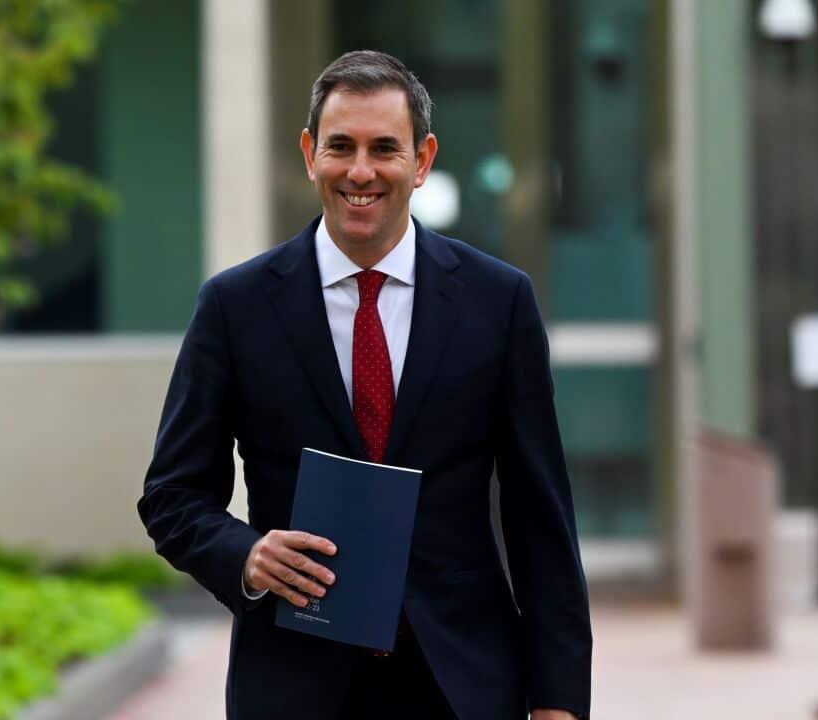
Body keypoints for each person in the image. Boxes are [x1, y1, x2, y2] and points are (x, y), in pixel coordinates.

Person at [138, 50, 591, 720]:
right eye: (341, 146)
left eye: (385, 148)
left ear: (423, 158)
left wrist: (559, 701)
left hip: (462, 685)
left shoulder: (499, 303)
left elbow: (540, 518)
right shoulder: (236, 307)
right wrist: (247, 555)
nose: (360, 171)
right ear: (308, 152)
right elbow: (172, 497)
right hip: (293, 684)